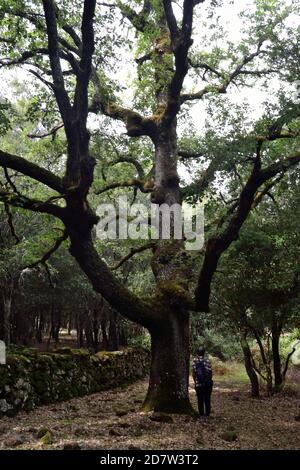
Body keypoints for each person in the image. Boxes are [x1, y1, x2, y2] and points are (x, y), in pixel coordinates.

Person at [192, 346, 213, 417]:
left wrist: (195, 382)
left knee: (200, 399)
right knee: (207, 399)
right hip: (207, 383)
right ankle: (207, 414)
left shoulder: (195, 360)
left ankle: (201, 414)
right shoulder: (207, 360)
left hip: (199, 383)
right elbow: (210, 372)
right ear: (204, 352)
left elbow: (193, 373)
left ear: (197, 352)